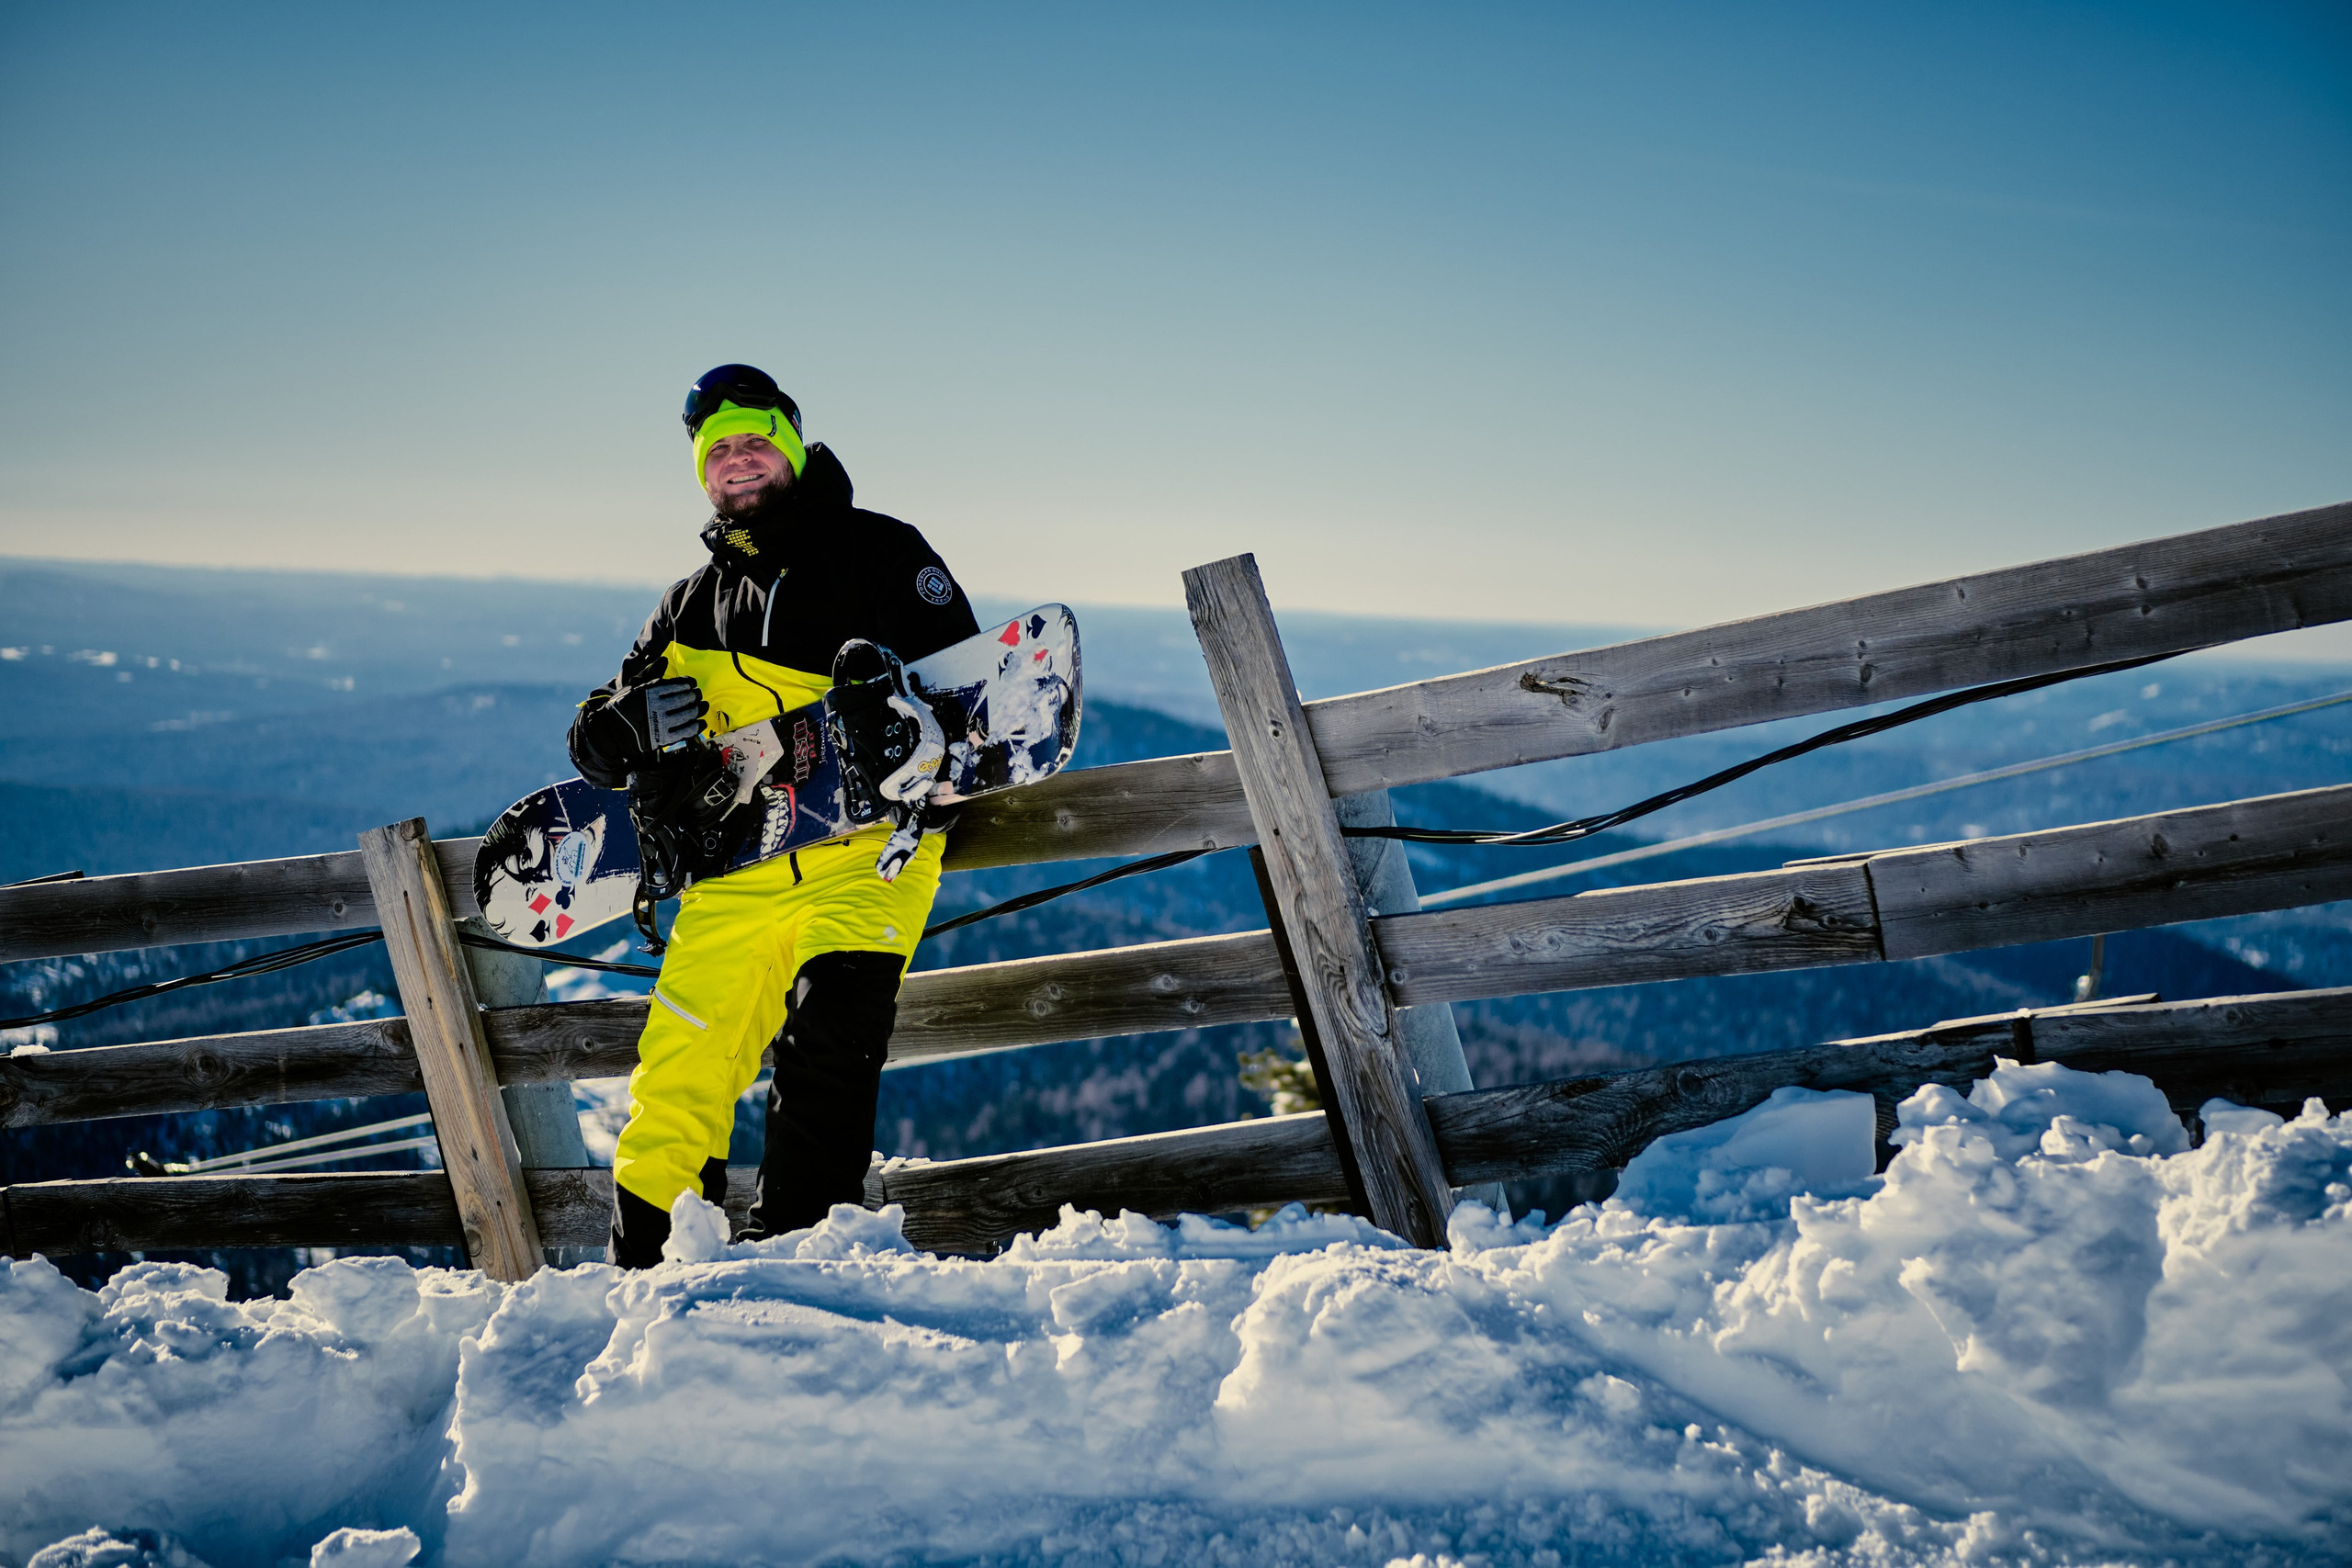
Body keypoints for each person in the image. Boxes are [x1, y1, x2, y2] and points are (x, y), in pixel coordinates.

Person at [569, 364, 978, 1267]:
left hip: (869, 859)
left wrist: (905, 725)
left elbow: (973, 701)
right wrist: (615, 730)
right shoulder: (686, 603)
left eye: (756, 440)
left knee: (827, 1052)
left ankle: (801, 1272)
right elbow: (601, 729)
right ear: (702, 474)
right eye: (719, 452)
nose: (738, 461)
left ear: (790, 444)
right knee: (677, 1081)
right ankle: (650, 1278)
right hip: (731, 879)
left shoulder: (881, 553)